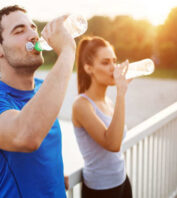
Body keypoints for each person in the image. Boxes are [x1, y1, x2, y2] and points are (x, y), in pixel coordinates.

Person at [0, 5, 76, 198]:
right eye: (19, 31)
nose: (33, 36)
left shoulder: (42, 88)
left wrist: (51, 176)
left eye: (33, 28)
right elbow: (26, 136)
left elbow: (40, 154)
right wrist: (68, 51)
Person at [72, 36, 133, 198]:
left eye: (114, 61)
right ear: (89, 68)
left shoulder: (108, 101)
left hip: (122, 180)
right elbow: (113, 144)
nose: (114, 68)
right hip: (101, 190)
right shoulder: (81, 105)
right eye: (105, 63)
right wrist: (121, 92)